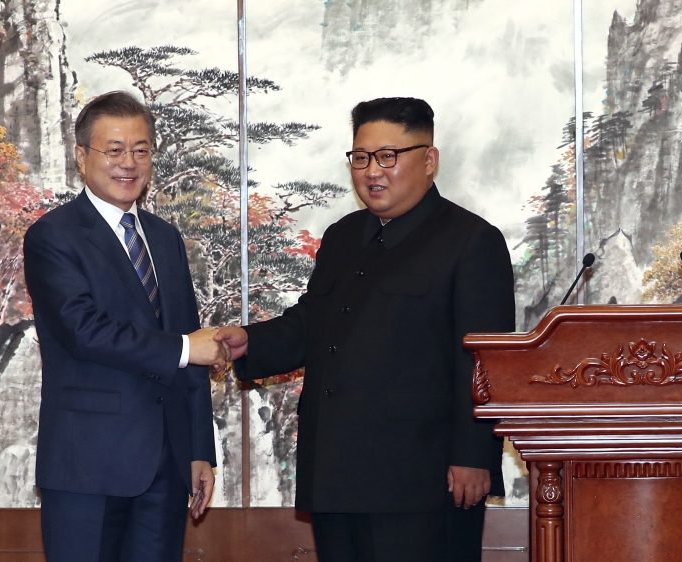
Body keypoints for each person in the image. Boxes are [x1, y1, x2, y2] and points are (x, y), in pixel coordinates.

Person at [216, 97, 515, 562]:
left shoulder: (471, 241)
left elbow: (485, 362)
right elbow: (311, 324)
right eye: (361, 157)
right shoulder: (342, 236)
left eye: (388, 156)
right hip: (337, 472)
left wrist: (474, 455)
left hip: (422, 480)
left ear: (429, 160)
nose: (372, 171)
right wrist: (249, 342)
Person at [23, 91, 227, 562]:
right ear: (81, 156)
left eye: (141, 149)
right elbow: (83, 329)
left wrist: (200, 450)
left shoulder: (164, 237)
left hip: (166, 466)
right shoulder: (54, 235)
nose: (129, 163)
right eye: (114, 150)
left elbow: (191, 345)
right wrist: (182, 349)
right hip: (86, 466)